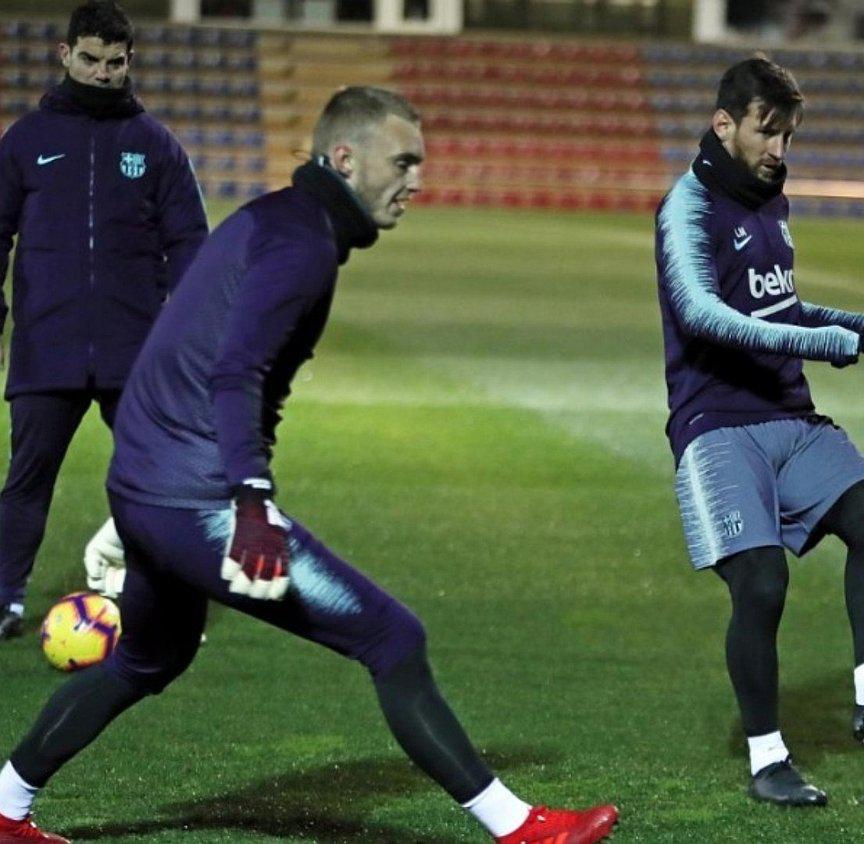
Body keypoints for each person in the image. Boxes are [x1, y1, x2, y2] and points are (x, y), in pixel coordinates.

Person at [0, 87, 618, 844]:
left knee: (142, 661)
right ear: (345, 158)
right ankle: (519, 827)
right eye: (403, 161)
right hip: (201, 502)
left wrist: (147, 488)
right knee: (393, 638)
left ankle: (3, 805)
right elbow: (236, 374)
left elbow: (194, 353)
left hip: (149, 489)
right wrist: (251, 504)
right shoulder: (302, 246)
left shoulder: (273, 218)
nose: (416, 180)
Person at [652, 56, 864, 807]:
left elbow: (778, 308)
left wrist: (857, 324)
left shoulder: (769, 202)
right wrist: (826, 345)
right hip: (716, 424)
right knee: (761, 584)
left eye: (788, 135)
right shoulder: (687, 208)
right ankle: (767, 760)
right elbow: (702, 315)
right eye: (767, 132)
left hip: (787, 412)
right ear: (724, 125)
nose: (779, 151)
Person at [0, 0, 209, 640]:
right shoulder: (27, 141)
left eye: (114, 62)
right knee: (27, 483)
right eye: (90, 59)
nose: (102, 72)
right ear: (66, 55)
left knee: (157, 484)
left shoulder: (156, 145)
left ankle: (170, 602)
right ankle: (4, 598)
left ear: (129, 62)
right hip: (46, 346)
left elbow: (191, 244)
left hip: (135, 353)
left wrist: (186, 328)